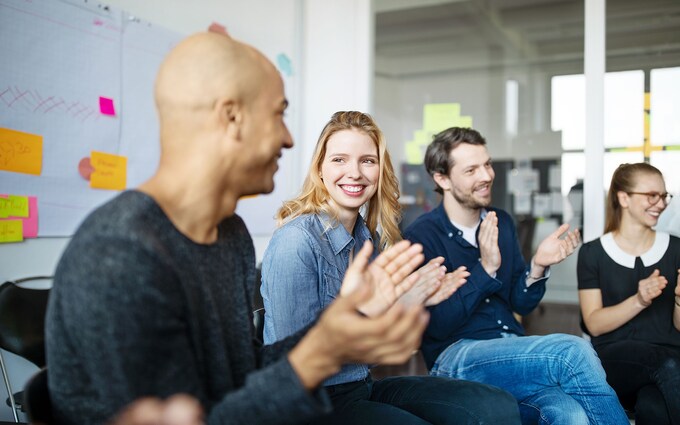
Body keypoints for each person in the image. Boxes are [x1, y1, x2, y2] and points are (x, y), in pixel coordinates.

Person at [45, 32, 435, 425]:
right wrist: (323, 350)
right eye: (279, 114)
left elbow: (241, 374)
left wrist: (336, 334)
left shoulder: (229, 235)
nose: (288, 139)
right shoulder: (120, 253)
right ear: (231, 118)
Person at [261, 111, 521, 424]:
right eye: (340, 160)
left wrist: (409, 302)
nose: (355, 173)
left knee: (495, 405)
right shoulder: (296, 241)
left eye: (367, 161)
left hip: (359, 386)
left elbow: (376, 350)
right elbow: (296, 362)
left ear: (380, 170)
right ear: (320, 168)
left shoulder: (365, 238)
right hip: (309, 404)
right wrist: (394, 310)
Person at [403, 127, 629, 425]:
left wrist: (537, 266)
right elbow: (436, 327)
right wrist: (485, 269)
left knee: (568, 413)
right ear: (442, 179)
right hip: (455, 356)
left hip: (511, 349)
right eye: (471, 170)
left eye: (487, 164)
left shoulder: (502, 222)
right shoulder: (421, 236)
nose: (486, 175)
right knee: (572, 352)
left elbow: (520, 303)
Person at [577, 162, 680, 424]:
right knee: (668, 363)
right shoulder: (593, 253)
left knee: (654, 408)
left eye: (664, 195)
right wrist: (639, 300)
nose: (660, 203)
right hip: (615, 361)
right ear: (624, 198)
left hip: (669, 363)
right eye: (651, 195)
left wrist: (679, 301)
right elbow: (594, 323)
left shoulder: (676, 248)